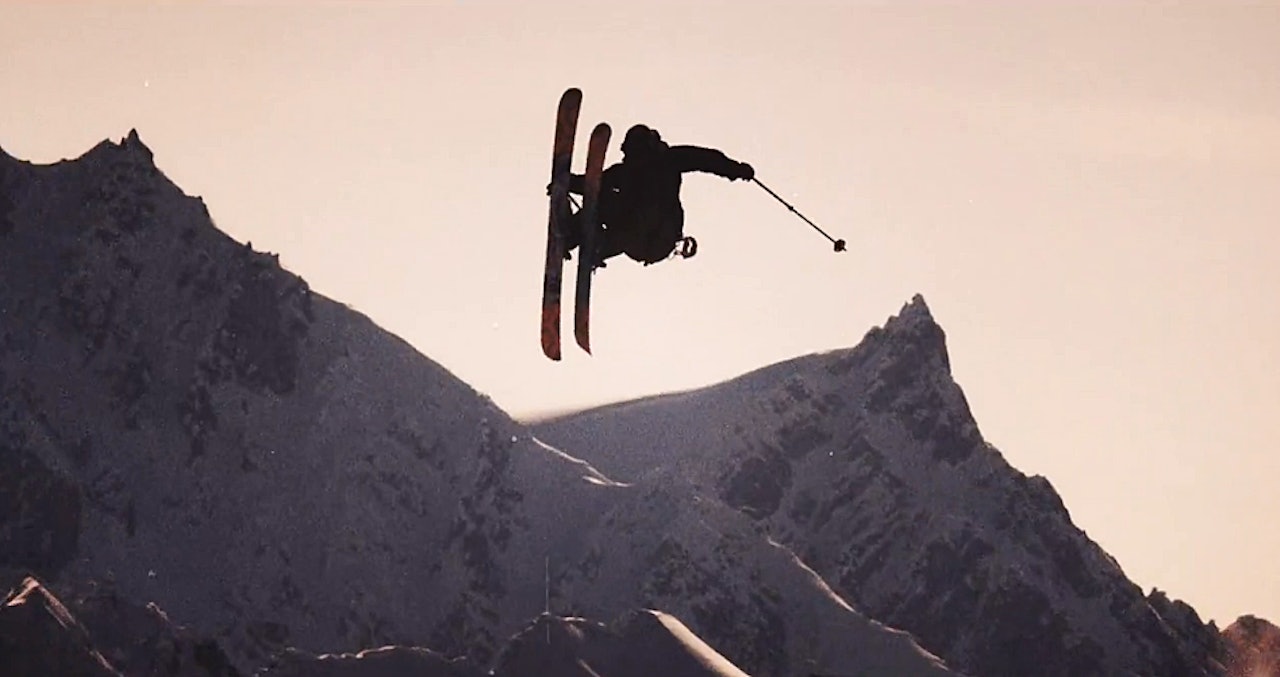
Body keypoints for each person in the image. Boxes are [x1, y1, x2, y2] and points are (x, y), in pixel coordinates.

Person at [563, 124, 754, 267]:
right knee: (603, 201)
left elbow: (706, 159)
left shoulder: (665, 161)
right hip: (649, 242)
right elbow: (592, 185)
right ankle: (592, 243)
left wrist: (735, 169)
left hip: (655, 232)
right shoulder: (629, 170)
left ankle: (581, 238)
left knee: (607, 202)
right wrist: (568, 183)